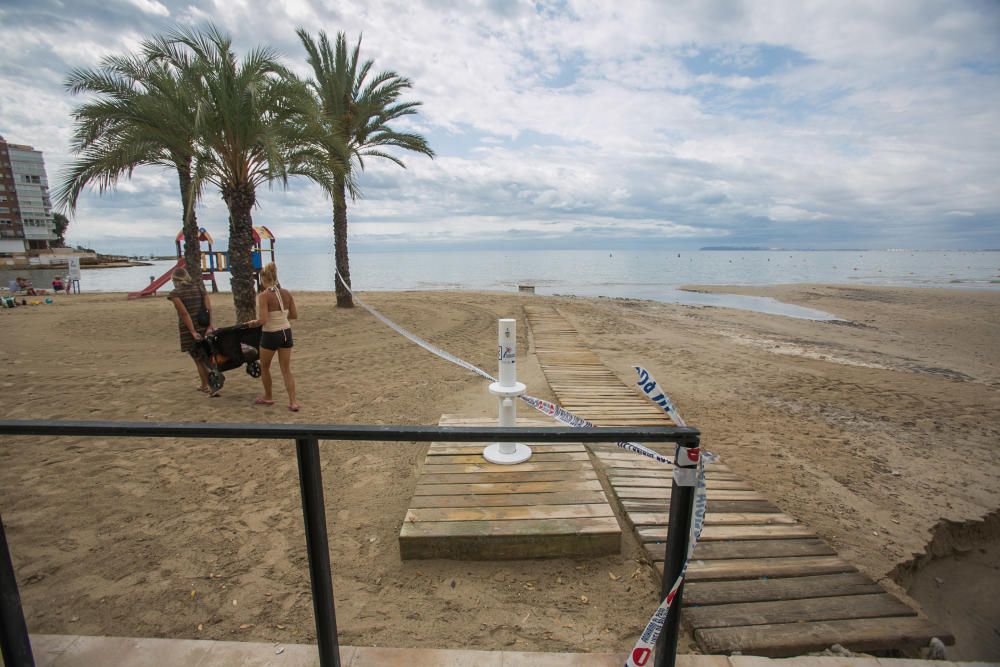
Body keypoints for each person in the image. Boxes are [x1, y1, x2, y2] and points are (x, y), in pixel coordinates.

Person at [246, 262, 298, 411]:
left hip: (271, 334)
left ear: (263, 280)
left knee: (264, 366)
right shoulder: (287, 293)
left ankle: (268, 396)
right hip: (286, 332)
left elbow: (263, 320)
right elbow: (294, 315)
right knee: (286, 369)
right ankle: (293, 402)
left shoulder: (264, 296)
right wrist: (281, 316)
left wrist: (252, 323)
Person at [167, 267, 216, 395]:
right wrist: (210, 325)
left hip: (189, 328)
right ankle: (206, 384)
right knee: (206, 356)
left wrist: (193, 332)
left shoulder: (175, 293)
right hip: (204, 325)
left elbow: (184, 314)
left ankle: (207, 385)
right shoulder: (199, 288)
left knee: (198, 359)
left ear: (175, 280)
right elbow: (208, 308)